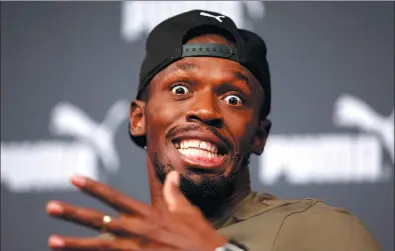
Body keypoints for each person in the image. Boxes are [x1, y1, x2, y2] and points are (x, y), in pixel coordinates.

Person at [46, 10, 381, 251]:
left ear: (259, 135)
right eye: (180, 89)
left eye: (233, 98)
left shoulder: (322, 232)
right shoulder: (109, 248)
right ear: (138, 118)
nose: (206, 110)